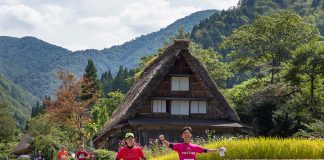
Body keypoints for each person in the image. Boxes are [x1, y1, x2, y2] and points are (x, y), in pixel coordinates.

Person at [159, 126, 225, 160]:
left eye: (188, 133)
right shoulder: (179, 146)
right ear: (182, 136)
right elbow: (169, 145)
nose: (186, 134)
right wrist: (163, 140)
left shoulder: (195, 146)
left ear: (190, 135)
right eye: (184, 133)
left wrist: (217, 150)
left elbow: (205, 150)